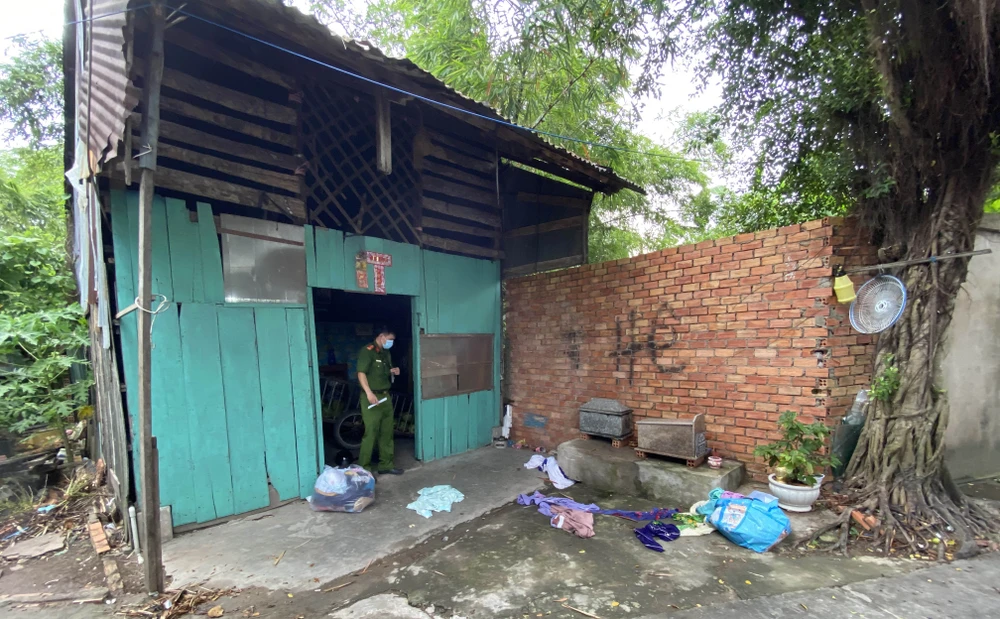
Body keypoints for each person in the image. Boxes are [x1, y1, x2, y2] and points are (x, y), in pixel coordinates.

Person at [356, 327, 403, 475]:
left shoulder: (385, 353)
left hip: (385, 397)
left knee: (387, 433)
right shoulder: (367, 351)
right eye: (390, 339)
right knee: (370, 433)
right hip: (371, 397)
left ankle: (386, 465)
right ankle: (364, 470)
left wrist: (393, 371)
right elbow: (361, 373)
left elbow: (381, 372)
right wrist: (369, 393)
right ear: (381, 336)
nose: (391, 343)